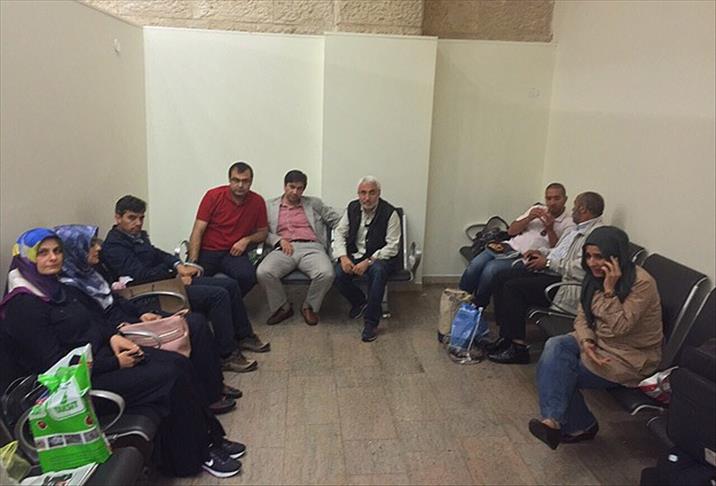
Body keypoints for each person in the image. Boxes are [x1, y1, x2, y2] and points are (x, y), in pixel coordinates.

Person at [0, 228, 245, 478]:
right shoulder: (24, 305)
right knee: (170, 378)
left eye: (57, 251)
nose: (53, 258)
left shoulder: (57, 287)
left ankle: (211, 438)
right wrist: (115, 363)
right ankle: (196, 457)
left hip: (102, 358)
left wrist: (113, 336)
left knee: (179, 363)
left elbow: (95, 319)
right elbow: (55, 366)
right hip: (79, 385)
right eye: (42, 253)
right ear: (26, 258)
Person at [55, 223, 240, 414]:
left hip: (130, 315)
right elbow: (97, 323)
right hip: (120, 329)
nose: (98, 248)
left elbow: (116, 299)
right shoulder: (71, 289)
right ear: (75, 250)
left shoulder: (91, 273)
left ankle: (213, 387)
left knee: (196, 321)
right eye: (91, 245)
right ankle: (209, 395)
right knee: (194, 325)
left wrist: (140, 313)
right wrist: (122, 325)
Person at [528, 226, 663, 450]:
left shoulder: (641, 283)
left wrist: (609, 291)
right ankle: (553, 421)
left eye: (599, 256)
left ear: (616, 255)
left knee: (559, 371)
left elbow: (620, 327)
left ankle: (579, 424)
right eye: (588, 256)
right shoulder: (593, 278)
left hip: (628, 357)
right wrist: (587, 342)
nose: (592, 263)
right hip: (598, 343)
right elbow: (582, 318)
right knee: (555, 346)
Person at [100, 195, 269, 374]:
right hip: (151, 293)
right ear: (118, 218)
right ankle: (226, 355)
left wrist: (178, 265)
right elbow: (141, 275)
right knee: (217, 296)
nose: (138, 223)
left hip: (165, 282)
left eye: (141, 218)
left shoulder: (136, 235)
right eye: (132, 218)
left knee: (230, 285)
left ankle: (244, 336)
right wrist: (175, 276)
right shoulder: (114, 246)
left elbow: (158, 254)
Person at [487, 191, 605, 364]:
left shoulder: (596, 236)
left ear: (583, 209)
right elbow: (558, 251)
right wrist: (540, 252)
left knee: (513, 288)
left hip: (566, 283)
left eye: (574, 207)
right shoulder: (576, 229)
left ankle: (518, 348)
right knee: (501, 276)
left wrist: (548, 263)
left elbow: (582, 268)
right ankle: (506, 337)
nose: (572, 210)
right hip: (553, 271)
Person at [459, 183, 574, 307]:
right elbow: (511, 231)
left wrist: (550, 229)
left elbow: (558, 250)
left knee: (490, 269)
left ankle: (478, 305)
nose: (552, 203)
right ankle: (460, 298)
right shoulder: (537, 209)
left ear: (565, 199)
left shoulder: (569, 222)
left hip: (525, 257)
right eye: (548, 198)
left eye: (557, 198)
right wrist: (528, 218)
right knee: (475, 264)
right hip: (507, 247)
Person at [257, 170, 341, 326]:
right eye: (292, 187)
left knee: (327, 273)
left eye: (299, 188)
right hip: (283, 248)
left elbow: (338, 221)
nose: (295, 192)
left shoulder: (314, 204)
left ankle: (309, 306)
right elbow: (261, 231)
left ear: (304, 189)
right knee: (264, 272)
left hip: (312, 247)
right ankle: (283, 307)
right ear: (284, 186)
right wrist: (278, 240)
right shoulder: (269, 206)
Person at [332, 176, 401, 342]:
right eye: (363, 193)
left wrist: (369, 261)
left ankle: (371, 322)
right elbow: (340, 233)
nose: (367, 198)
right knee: (337, 274)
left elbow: (393, 246)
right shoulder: (352, 208)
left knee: (378, 273)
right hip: (356, 254)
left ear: (379, 193)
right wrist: (343, 256)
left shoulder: (390, 213)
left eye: (371, 193)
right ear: (358, 194)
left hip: (380, 258)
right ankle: (360, 302)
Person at [188, 161, 268, 296]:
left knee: (248, 277)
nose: (240, 185)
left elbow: (263, 233)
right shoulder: (213, 196)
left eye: (245, 181)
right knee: (194, 280)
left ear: (251, 182)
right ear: (229, 180)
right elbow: (198, 231)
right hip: (208, 251)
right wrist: (192, 261)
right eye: (236, 180)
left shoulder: (257, 201)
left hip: (233, 253)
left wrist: (247, 240)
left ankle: (228, 302)